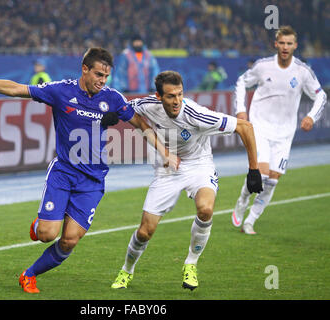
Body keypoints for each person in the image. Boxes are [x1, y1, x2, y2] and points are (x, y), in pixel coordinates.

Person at [0, 47, 180, 294]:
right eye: (98, 74)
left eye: (106, 77)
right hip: (63, 173)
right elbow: (17, 89)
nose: (102, 81)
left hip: (93, 180)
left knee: (69, 240)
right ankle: (40, 223)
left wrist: (165, 152)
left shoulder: (112, 98)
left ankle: (29, 275)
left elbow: (140, 124)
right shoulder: (60, 91)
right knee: (48, 234)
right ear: (85, 69)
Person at [110, 70, 262, 291]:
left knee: (205, 210)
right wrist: (114, 115)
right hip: (166, 170)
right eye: (171, 96)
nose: (177, 101)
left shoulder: (195, 114)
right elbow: (124, 106)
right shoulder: (149, 105)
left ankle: (191, 264)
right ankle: (127, 270)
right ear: (159, 96)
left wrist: (254, 170)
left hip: (199, 165)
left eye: (180, 94)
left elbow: (244, 127)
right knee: (145, 232)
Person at [231, 26, 327, 235]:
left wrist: (311, 116)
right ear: (276, 44)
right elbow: (241, 82)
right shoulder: (263, 66)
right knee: (262, 175)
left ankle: (250, 221)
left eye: (289, 43)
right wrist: (240, 110)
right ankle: (243, 199)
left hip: (284, 133)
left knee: (273, 180)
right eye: (281, 43)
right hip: (261, 127)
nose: (285, 47)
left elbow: (320, 95)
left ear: (295, 45)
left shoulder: (302, 71)